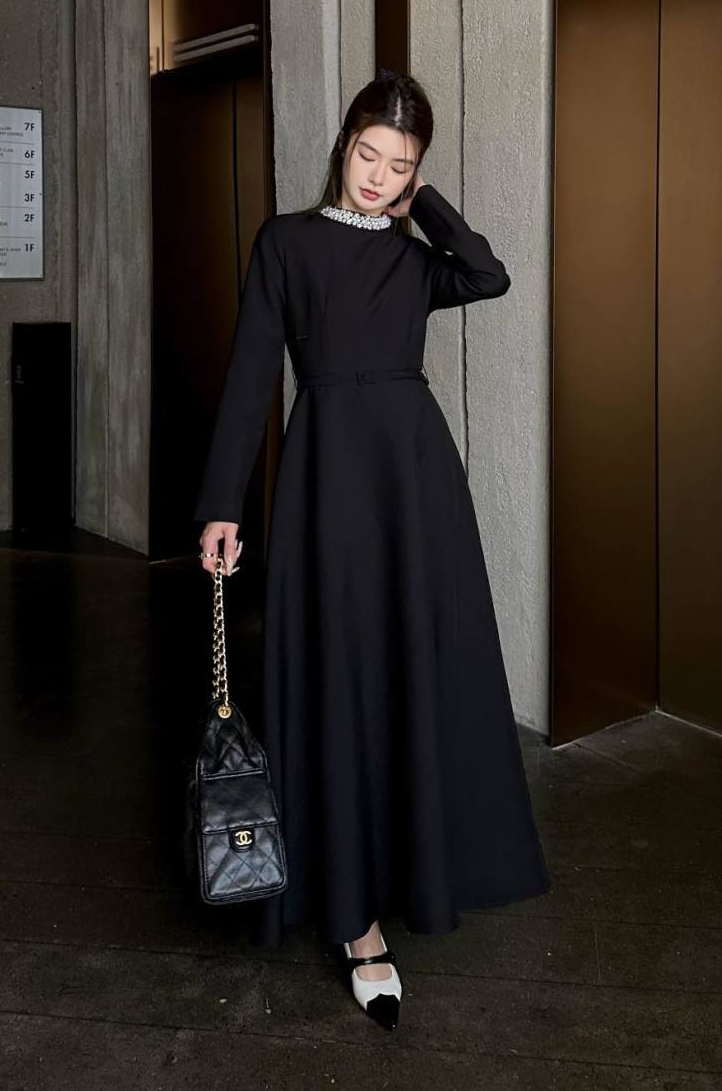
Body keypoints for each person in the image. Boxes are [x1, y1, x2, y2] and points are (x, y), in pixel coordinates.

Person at [195, 68, 551, 1030]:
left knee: (411, 674)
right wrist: (222, 504)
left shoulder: (414, 257)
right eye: (369, 154)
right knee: (339, 675)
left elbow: (488, 272)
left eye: (400, 165)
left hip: (415, 488)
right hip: (327, 483)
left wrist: (421, 202)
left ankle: (411, 872)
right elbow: (249, 376)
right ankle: (355, 923)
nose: (379, 177)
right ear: (343, 143)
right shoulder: (286, 242)